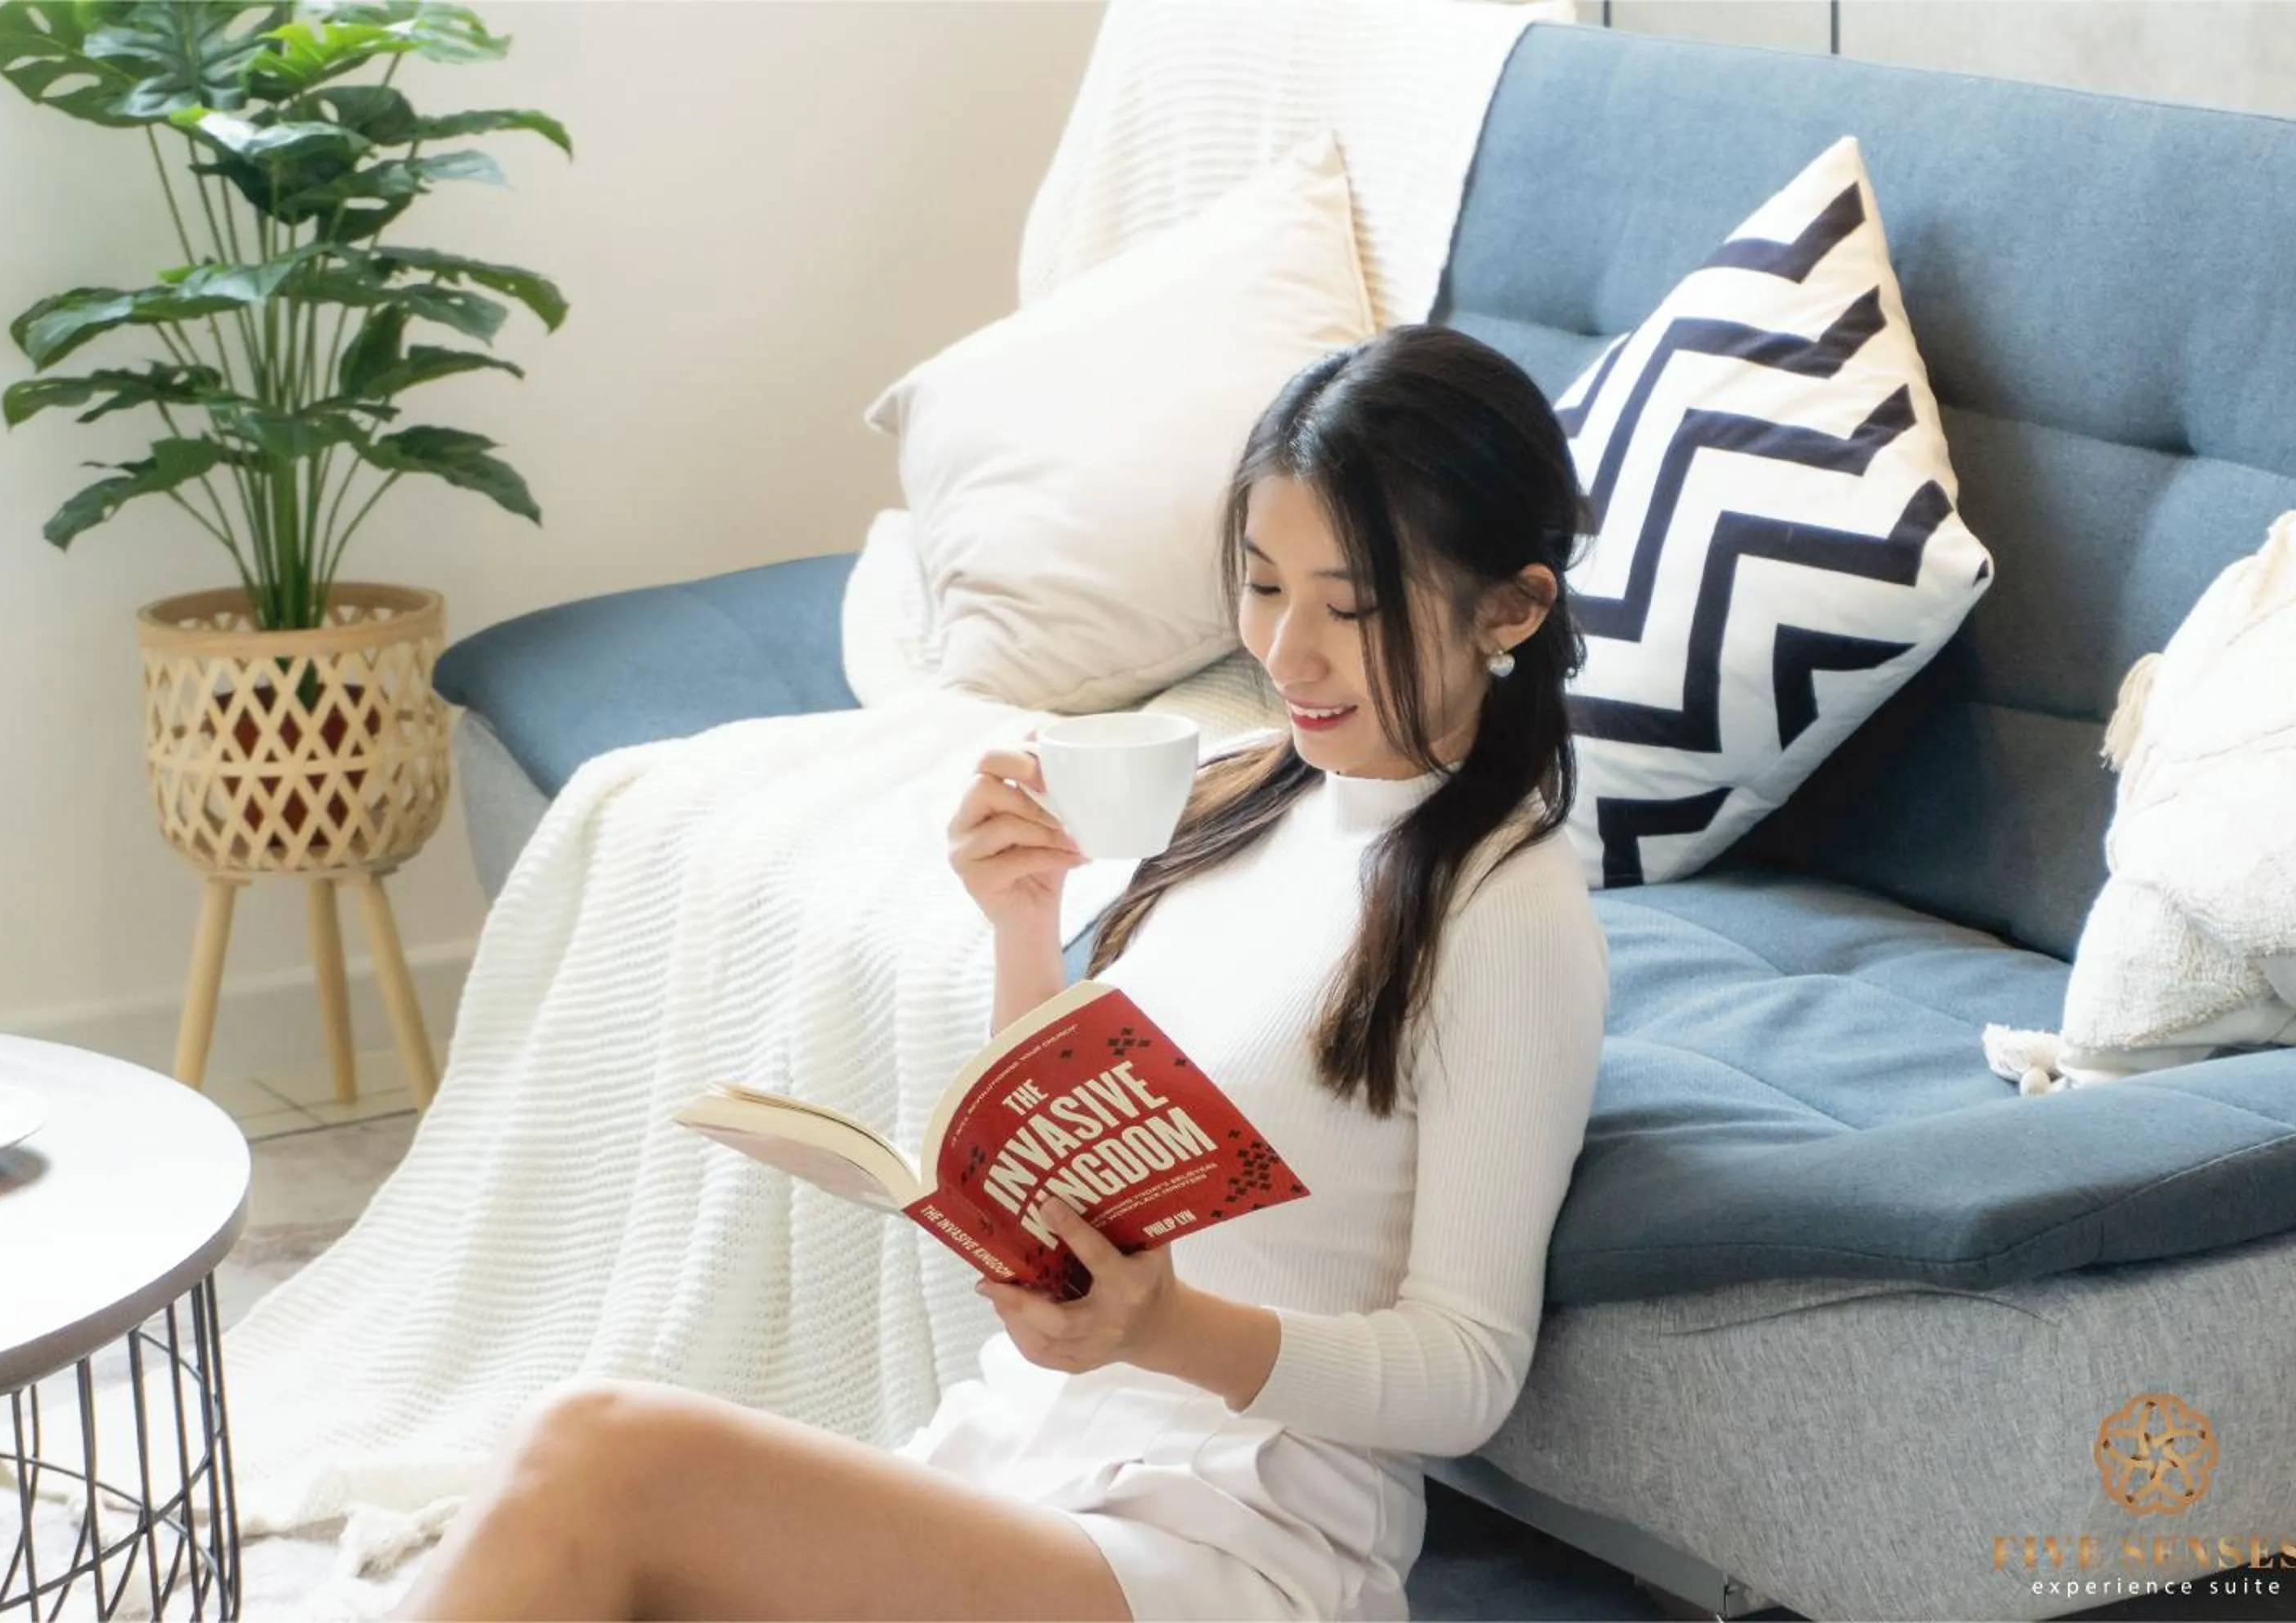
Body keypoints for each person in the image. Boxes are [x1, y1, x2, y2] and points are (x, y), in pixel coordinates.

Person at [389, 322, 1610, 1622]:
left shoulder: (1507, 915)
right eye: (1263, 586)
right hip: (1022, 1458)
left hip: (1227, 1544)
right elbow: (1063, 1148)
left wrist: (1163, 1332)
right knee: (580, 1540)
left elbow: (1468, 1369)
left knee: (598, 1460)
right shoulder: (1242, 801)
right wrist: (1022, 921)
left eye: (1352, 606)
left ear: (1514, 609)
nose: (1287, 653)